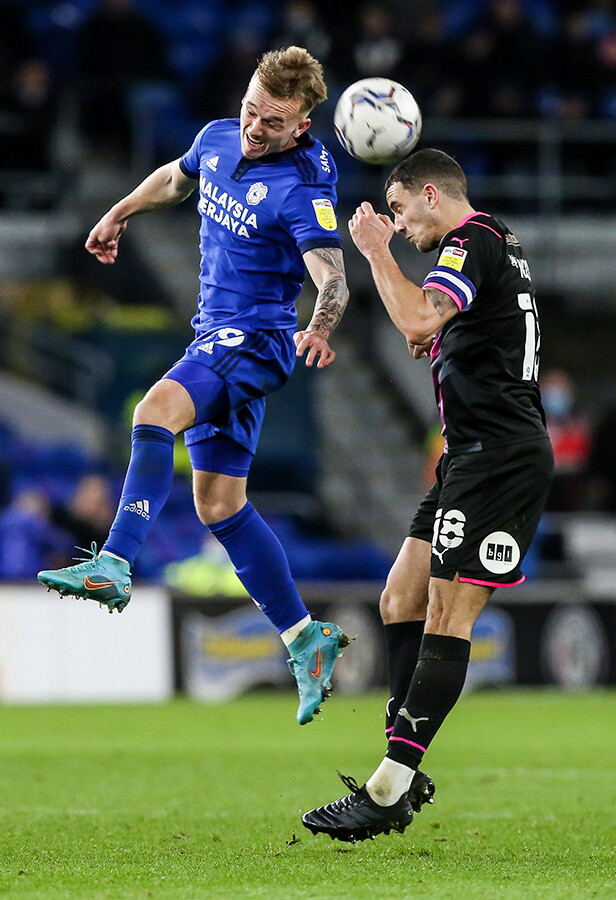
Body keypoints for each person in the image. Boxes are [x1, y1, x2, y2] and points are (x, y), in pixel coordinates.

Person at [38, 46, 351, 726]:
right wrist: (120, 211)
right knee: (219, 506)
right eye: (250, 110)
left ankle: (114, 561)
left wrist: (322, 324)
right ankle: (306, 638)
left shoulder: (305, 187)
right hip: (215, 337)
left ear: (302, 125)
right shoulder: (217, 137)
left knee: (152, 412)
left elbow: (332, 274)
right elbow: (177, 179)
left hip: (257, 341)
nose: (254, 128)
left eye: (272, 121)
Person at [302, 148, 553, 841]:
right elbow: (447, 325)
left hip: (498, 459)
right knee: (401, 600)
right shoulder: (492, 244)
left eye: (401, 209)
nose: (399, 224)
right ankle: (403, 773)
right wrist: (447, 338)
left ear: (432, 195)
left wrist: (375, 251)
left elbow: (417, 319)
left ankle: (389, 786)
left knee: (447, 613)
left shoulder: (470, 240)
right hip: (468, 457)